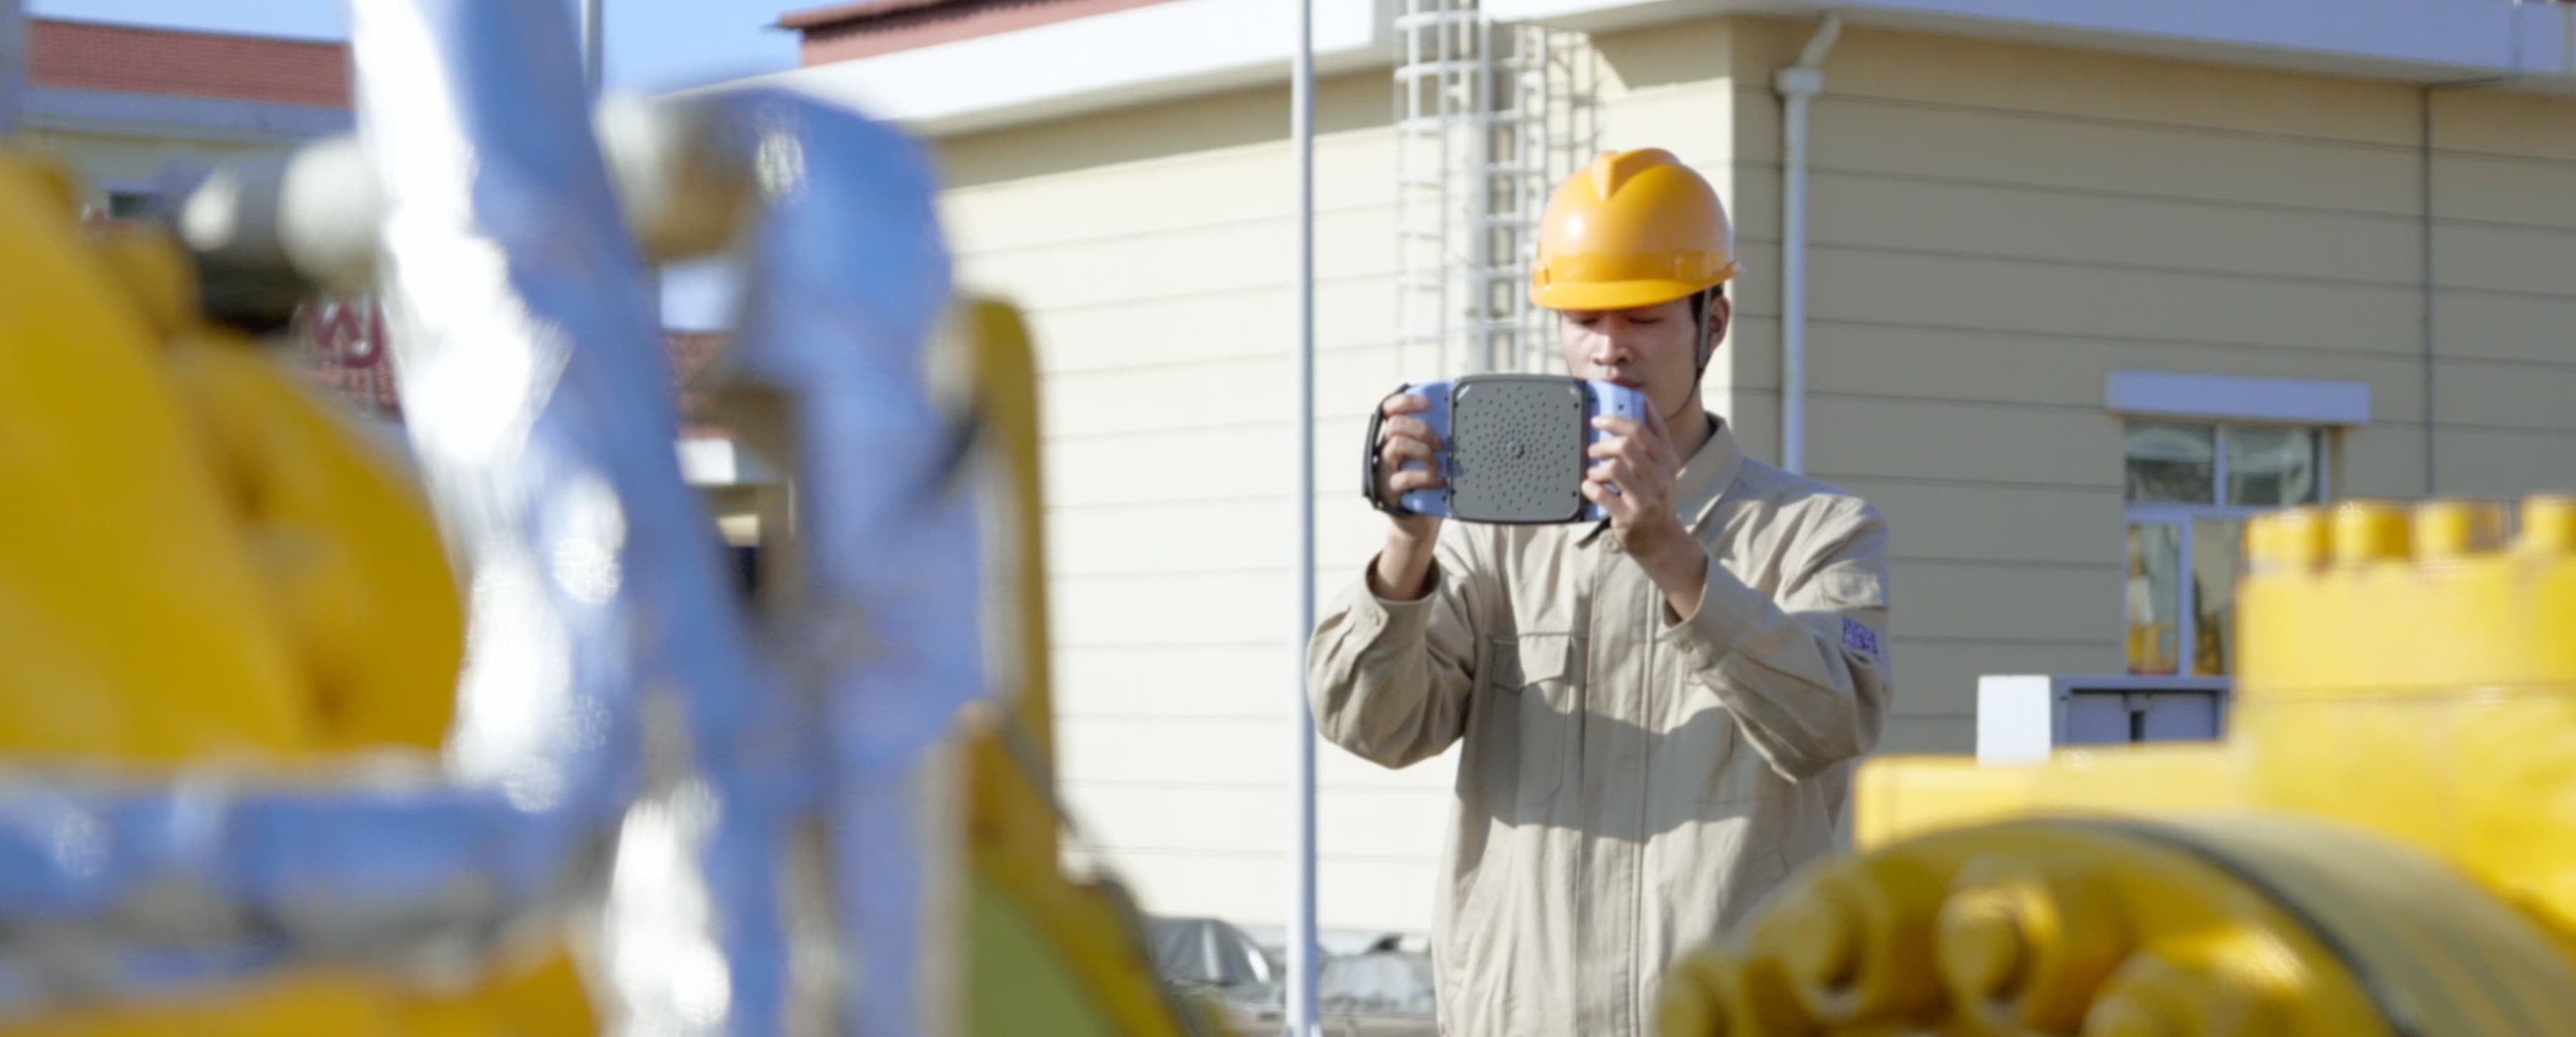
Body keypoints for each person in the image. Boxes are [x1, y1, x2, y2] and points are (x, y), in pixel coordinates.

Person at [1306, 147, 1894, 1036]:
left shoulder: (1818, 531)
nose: (1608, 347)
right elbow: (1371, 726)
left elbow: (1828, 727)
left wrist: (1671, 555)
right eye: (1582, 318)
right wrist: (1407, 543)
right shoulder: (1493, 539)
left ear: (1713, 322)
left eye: (1644, 318)